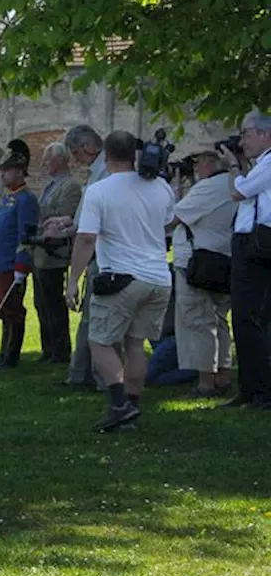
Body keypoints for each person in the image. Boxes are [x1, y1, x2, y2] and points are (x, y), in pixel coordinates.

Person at [67, 130, 176, 432]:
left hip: (121, 278)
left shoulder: (100, 191)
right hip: (157, 278)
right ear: (135, 153)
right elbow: (169, 222)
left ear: (106, 154)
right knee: (136, 344)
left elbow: (86, 238)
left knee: (100, 342)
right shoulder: (161, 187)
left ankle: (119, 404)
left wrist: (73, 280)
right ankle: (132, 406)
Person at [169, 148, 236, 396]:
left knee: (199, 322)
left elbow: (172, 218)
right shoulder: (234, 182)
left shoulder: (207, 188)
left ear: (210, 162)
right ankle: (223, 377)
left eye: (197, 163)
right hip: (224, 260)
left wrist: (175, 189)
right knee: (219, 321)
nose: (195, 168)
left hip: (197, 263)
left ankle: (205, 383)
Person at [220, 109, 271, 409]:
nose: (242, 141)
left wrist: (232, 167)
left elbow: (239, 192)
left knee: (250, 318)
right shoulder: (261, 164)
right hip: (249, 243)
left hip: (256, 247)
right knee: (245, 318)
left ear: (266, 134)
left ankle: (260, 391)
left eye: (246, 133)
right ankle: (249, 388)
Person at [0, 139, 39, 369]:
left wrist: (21, 267)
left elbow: (25, 237)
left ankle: (11, 356)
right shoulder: (9, 198)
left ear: (19, 171)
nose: (2, 175)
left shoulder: (26, 199)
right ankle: (3, 354)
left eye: (6, 171)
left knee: (13, 310)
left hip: (10, 265)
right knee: (1, 310)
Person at [63, 125, 107, 389]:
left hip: (100, 252)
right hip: (95, 248)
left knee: (95, 318)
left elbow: (92, 226)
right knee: (91, 317)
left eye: (77, 152)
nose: (75, 159)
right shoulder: (96, 172)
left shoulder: (103, 173)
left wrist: (73, 278)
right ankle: (81, 373)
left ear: (89, 146)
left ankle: (96, 379)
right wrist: (70, 225)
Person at [33, 141, 83, 363]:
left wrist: (49, 220)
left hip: (56, 253)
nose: (44, 164)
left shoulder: (71, 186)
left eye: (48, 159)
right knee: (41, 302)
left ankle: (60, 350)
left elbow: (64, 215)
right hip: (41, 250)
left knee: (54, 303)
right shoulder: (50, 186)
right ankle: (48, 348)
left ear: (61, 160)